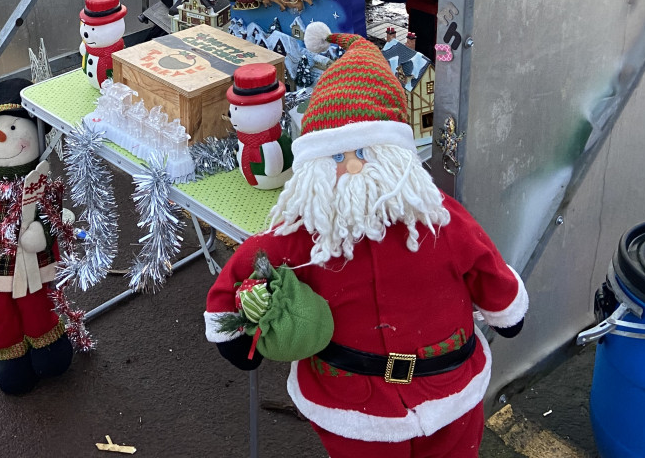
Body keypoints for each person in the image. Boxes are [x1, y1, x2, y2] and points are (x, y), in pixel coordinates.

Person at [205, 24, 527, 457]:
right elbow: (248, 263)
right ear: (315, 166)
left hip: (450, 387)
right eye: (338, 156)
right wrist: (235, 330)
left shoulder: (438, 218)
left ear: (397, 155)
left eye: (366, 153)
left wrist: (505, 308)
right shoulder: (304, 234)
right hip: (355, 405)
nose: (354, 167)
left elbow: (484, 262)